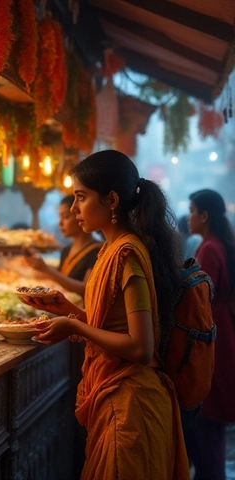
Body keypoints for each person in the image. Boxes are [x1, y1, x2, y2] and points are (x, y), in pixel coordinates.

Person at [28, 150, 189, 479]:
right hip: (118, 401)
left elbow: (140, 348)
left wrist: (75, 326)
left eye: (81, 197)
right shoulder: (111, 250)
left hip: (132, 408)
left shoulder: (127, 254)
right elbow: (112, 324)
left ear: (112, 200)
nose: (74, 210)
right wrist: (69, 310)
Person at [184, 189, 235, 480]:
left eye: (192, 210)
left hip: (211, 328)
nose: (189, 217)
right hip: (222, 328)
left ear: (204, 215)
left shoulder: (209, 248)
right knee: (210, 418)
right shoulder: (219, 244)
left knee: (207, 414)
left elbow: (201, 296)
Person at [24, 195, 102, 296]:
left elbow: (86, 289)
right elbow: (62, 280)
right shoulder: (66, 250)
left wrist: (46, 269)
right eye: (59, 217)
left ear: (80, 216)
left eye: (65, 217)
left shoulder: (97, 251)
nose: (60, 223)